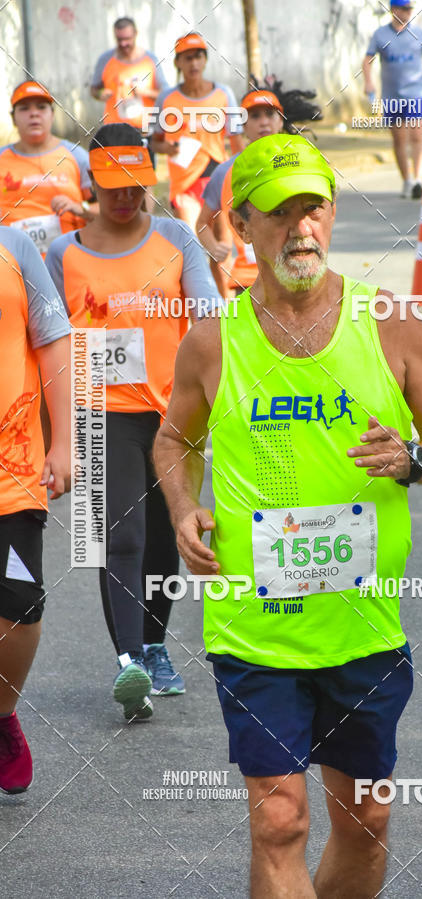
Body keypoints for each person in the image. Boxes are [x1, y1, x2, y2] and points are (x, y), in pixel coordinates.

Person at [153, 133, 422, 897]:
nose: (303, 229)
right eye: (282, 212)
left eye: (316, 209)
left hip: (363, 628)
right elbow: (172, 437)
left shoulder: (391, 326)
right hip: (254, 628)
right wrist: (182, 506)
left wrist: (414, 459)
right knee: (280, 820)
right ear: (242, 224)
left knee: (365, 821)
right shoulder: (212, 342)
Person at [46, 123, 219, 721]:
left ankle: (152, 645)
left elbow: (206, 316)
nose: (126, 198)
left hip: (173, 414)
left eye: (137, 186)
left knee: (166, 529)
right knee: (121, 538)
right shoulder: (62, 253)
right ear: (91, 182)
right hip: (100, 413)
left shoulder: (175, 238)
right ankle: (130, 667)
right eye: (115, 187)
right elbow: (46, 340)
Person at [0, 226, 71, 794]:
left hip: (12, 464)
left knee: (19, 606)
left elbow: (53, 343)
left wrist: (64, 439)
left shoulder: (16, 248)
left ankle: (2, 713)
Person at [197, 78, 322, 297]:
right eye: (254, 116)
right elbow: (201, 224)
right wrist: (214, 247)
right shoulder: (225, 172)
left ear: (281, 121)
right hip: (247, 281)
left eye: (270, 114)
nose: (263, 122)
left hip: (294, 269)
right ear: (243, 125)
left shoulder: (301, 163)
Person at [151, 32, 243, 243]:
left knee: (222, 243)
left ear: (205, 60)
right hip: (184, 181)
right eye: (188, 58)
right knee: (191, 242)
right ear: (178, 63)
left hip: (217, 174)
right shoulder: (166, 99)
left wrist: (243, 177)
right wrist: (171, 148)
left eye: (198, 57)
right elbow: (155, 142)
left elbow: (236, 141)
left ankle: (222, 277)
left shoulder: (223, 94)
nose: (194, 63)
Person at [363, 0, 422, 199]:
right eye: (404, 9)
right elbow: (367, 60)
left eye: (410, 9)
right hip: (392, 96)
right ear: (394, 10)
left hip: (416, 94)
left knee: (418, 137)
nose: (408, 13)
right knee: (399, 140)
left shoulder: (419, 34)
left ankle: (418, 180)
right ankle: (407, 180)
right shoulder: (380, 35)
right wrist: (368, 82)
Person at [0, 81, 96, 257]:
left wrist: (80, 208)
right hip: (12, 264)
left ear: (52, 114)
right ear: (13, 118)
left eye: (41, 107)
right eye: (24, 108)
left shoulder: (76, 156)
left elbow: (106, 210)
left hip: (68, 261)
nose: (34, 114)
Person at [90, 16, 168, 137]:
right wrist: (100, 93)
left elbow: (165, 94)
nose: (123, 43)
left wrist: (145, 92)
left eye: (127, 39)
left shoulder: (150, 60)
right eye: (119, 39)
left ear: (136, 34)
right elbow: (94, 89)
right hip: (114, 132)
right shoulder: (105, 60)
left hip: (145, 131)